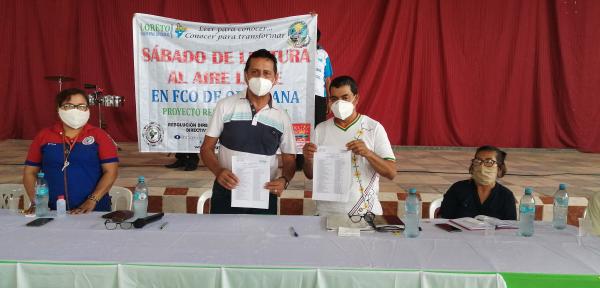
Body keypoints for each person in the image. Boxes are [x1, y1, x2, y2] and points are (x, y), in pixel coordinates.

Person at [200, 49, 296, 214]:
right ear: (246, 75)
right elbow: (206, 149)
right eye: (255, 72)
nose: (261, 78)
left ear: (275, 78)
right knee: (220, 238)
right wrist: (218, 171)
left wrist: (284, 180)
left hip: (264, 195)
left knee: (263, 240)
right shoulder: (225, 106)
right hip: (226, 192)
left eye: (266, 73)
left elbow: (290, 159)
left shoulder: (282, 117)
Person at [302, 76, 396, 216]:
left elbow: (391, 172)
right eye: (334, 99)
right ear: (329, 101)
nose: (339, 103)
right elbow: (310, 175)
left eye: (345, 97)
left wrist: (368, 153)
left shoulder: (373, 128)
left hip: (366, 213)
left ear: (356, 98)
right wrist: (308, 159)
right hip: (326, 213)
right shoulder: (321, 129)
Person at [23, 88, 119, 214]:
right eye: (69, 106)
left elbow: (111, 172)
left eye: (81, 106)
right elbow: (29, 172)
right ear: (58, 109)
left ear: (88, 109)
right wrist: (36, 202)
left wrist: (92, 200)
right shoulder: (44, 136)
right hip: (51, 211)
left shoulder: (99, 136)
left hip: (93, 211)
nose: (76, 111)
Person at [439, 146, 516, 220]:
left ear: (499, 168)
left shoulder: (506, 196)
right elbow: (443, 219)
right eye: (478, 161)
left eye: (489, 162)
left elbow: (510, 228)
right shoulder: (458, 189)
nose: (482, 166)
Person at [296, 28, 333, 170]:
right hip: (301, 96)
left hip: (319, 96)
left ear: (317, 39)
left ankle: (319, 162)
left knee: (319, 128)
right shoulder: (297, 52)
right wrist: (307, 21)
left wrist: (329, 100)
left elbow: (328, 79)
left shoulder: (323, 54)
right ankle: (300, 162)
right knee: (301, 128)